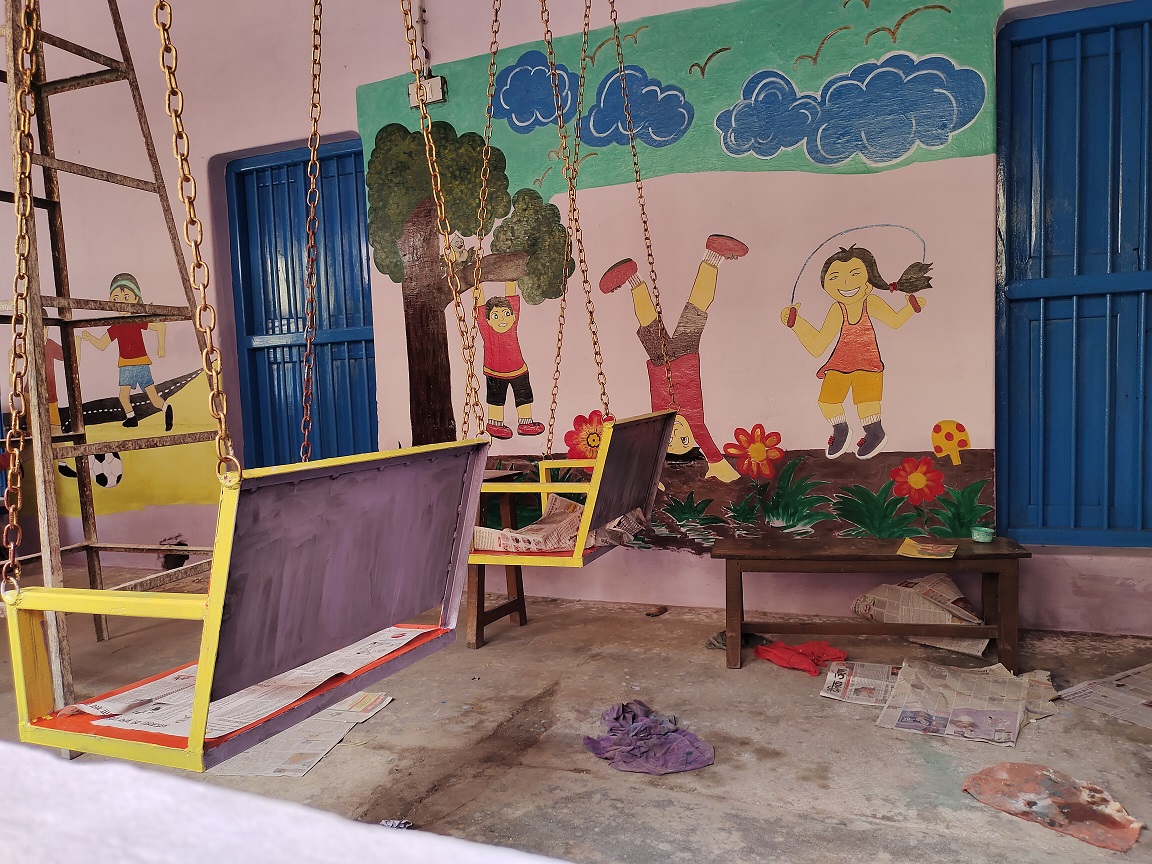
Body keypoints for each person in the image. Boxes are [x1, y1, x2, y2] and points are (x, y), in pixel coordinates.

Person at [600, 234, 746, 483]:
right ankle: (712, 256)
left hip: (660, 359)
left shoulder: (660, 422)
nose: (676, 434)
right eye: (684, 440)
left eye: (670, 441)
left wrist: (650, 479)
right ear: (694, 438)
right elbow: (709, 447)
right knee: (696, 309)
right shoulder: (695, 422)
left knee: (650, 322)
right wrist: (717, 464)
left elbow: (650, 450)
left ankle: (633, 278)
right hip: (685, 353)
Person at [781, 245, 930, 460]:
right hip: (839, 363)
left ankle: (874, 433)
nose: (845, 283)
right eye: (835, 277)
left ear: (870, 281)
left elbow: (894, 321)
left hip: (868, 363)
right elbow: (818, 345)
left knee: (866, 404)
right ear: (826, 285)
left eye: (855, 274)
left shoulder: (871, 302)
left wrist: (911, 308)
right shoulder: (837, 309)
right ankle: (841, 430)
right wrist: (797, 324)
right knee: (827, 402)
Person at [78, 273, 172, 431]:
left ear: (136, 298)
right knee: (128, 397)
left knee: (147, 397)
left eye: (126, 297)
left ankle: (158, 411)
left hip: (136, 365)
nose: (121, 302)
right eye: (116, 299)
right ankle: (141, 415)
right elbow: (102, 344)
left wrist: (161, 345)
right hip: (130, 365)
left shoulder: (136, 321)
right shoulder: (116, 326)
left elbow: (161, 326)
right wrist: (90, 338)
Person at [476, 280, 544, 440]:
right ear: (488, 320)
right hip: (494, 372)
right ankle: (495, 424)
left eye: (506, 314)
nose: (502, 319)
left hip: (518, 370)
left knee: (524, 397)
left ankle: (525, 423)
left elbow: (511, 295)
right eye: (496, 316)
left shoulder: (512, 325)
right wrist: (477, 282)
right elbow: (480, 306)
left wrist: (510, 275)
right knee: (496, 399)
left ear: (513, 316)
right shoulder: (487, 330)